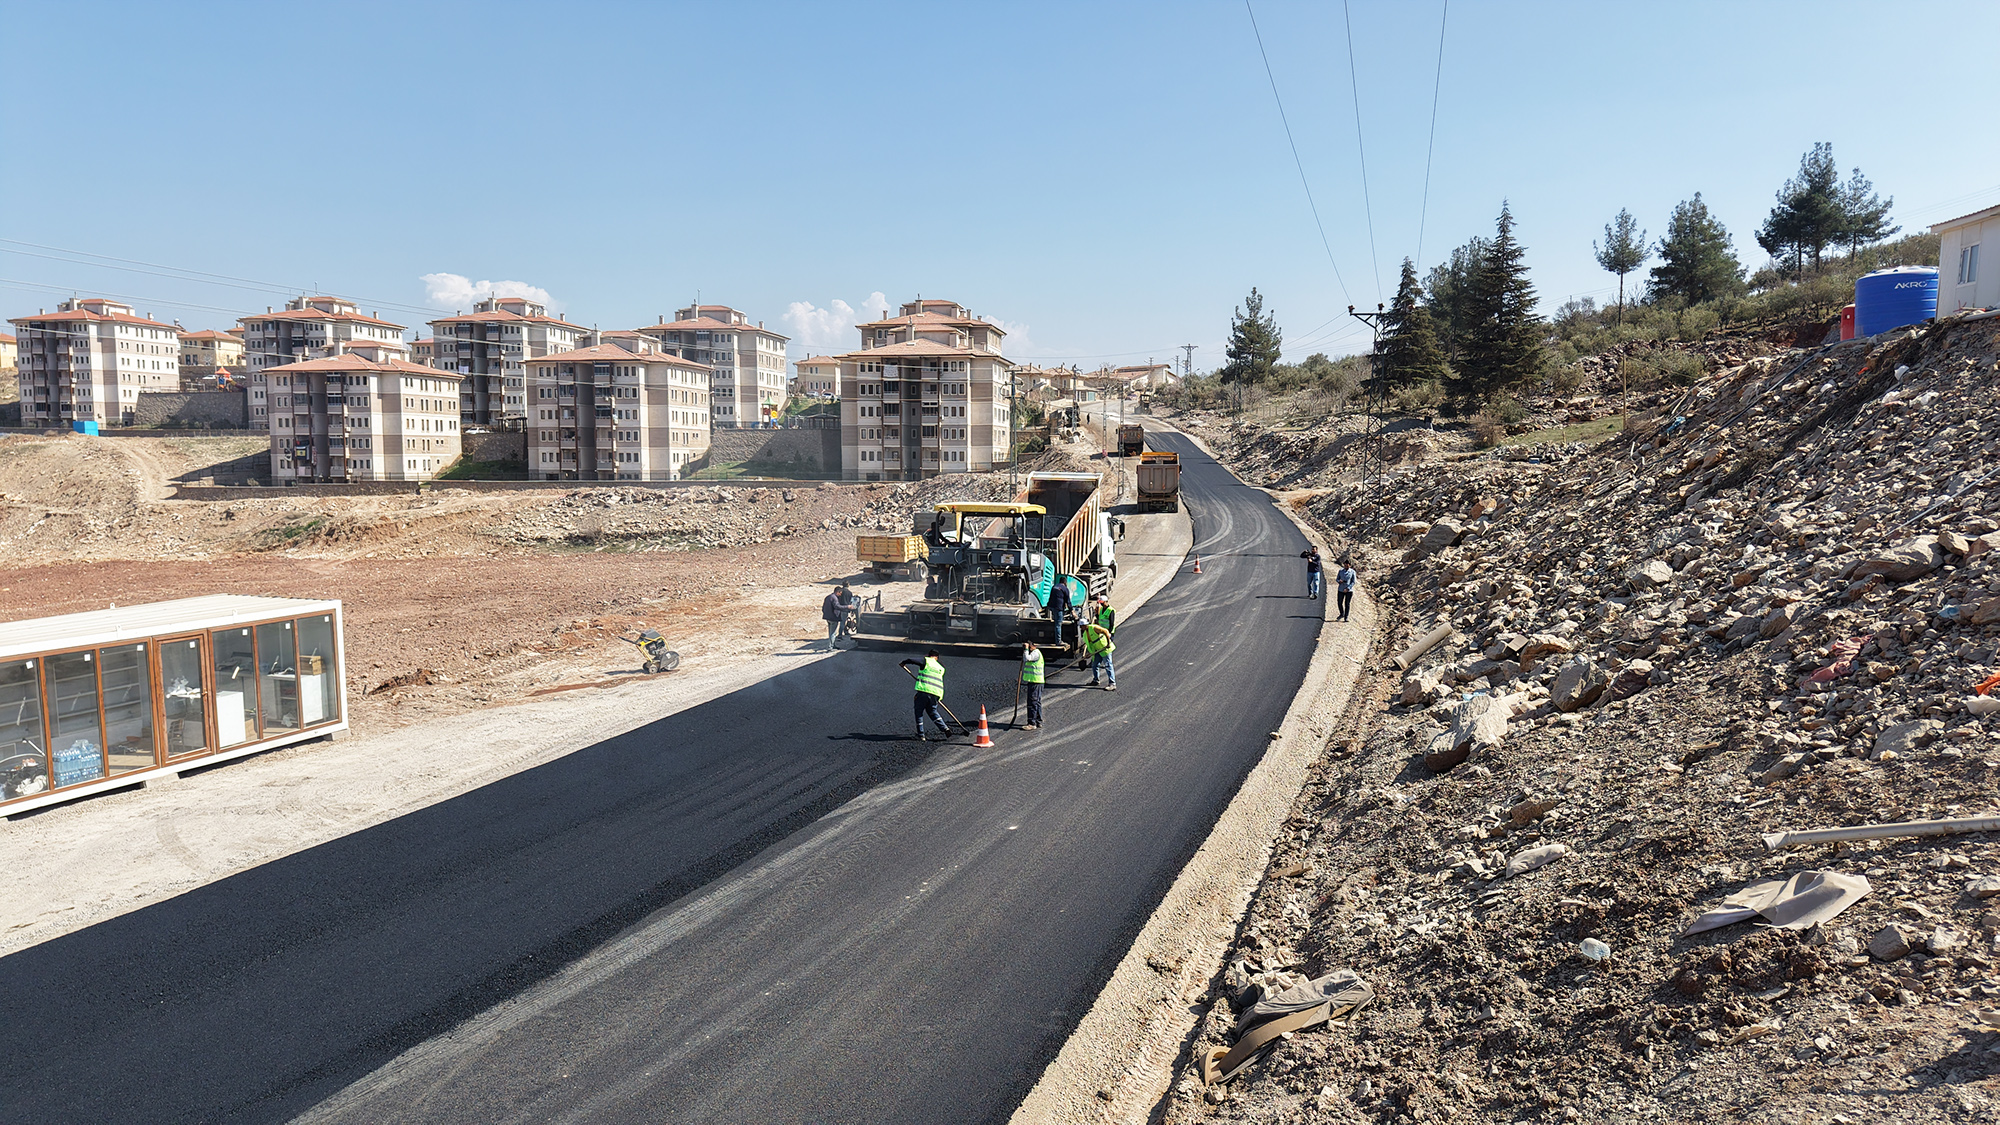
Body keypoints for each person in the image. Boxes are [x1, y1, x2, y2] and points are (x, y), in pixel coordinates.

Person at [899, 650, 952, 740]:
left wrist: (904, 662)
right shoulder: (941, 667)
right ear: (937, 657)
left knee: (919, 712)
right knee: (932, 711)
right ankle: (945, 728)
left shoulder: (927, 661)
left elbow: (912, 660)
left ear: (929, 655)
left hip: (924, 691)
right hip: (936, 693)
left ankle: (921, 735)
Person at [1081, 620, 1116, 691]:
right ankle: (1096, 680)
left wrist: (1108, 643)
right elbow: (1089, 645)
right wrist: (1089, 654)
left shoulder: (1094, 628)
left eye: (1081, 626)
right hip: (1097, 651)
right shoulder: (1085, 634)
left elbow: (1106, 631)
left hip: (1105, 648)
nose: (1081, 628)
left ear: (1085, 625)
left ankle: (1112, 683)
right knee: (1095, 665)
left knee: (1108, 665)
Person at [1019, 641, 1045, 730]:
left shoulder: (1036, 653)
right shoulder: (1034, 652)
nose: (1029, 648)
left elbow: (1027, 658)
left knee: (1032, 702)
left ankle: (1032, 723)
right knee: (1036, 702)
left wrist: (1025, 649)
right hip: (1034, 681)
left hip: (1036, 682)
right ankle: (1038, 721)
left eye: (1029, 646)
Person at [820, 585, 854, 651]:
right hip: (833, 618)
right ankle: (830, 647)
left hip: (828, 617)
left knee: (831, 632)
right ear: (838, 592)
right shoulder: (835, 598)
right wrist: (847, 607)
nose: (840, 595)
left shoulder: (828, 597)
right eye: (840, 593)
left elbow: (823, 608)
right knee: (833, 633)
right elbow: (837, 607)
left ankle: (833, 644)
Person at [1047, 574, 1074, 651]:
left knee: (1055, 622)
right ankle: (1058, 641)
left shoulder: (1054, 587)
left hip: (1052, 607)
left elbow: (1051, 597)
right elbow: (1068, 601)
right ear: (1065, 583)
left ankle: (1054, 637)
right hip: (1058, 608)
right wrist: (1071, 610)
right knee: (1058, 624)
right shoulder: (1065, 589)